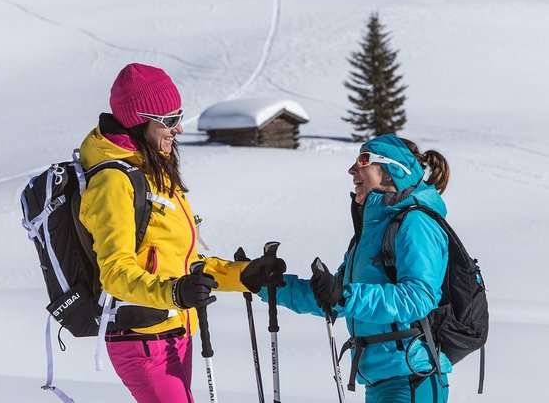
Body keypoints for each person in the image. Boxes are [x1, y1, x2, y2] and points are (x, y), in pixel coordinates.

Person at [77, 62, 285, 403]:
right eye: (169, 120)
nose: (179, 128)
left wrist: (243, 275)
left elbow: (180, 263)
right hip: (143, 337)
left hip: (173, 331)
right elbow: (115, 273)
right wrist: (175, 293)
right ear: (139, 121)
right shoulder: (114, 182)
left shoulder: (152, 172)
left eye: (179, 116)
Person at [261, 134, 452, 402]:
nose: (352, 170)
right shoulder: (372, 233)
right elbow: (332, 299)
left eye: (363, 161)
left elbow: (418, 297)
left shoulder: (416, 223)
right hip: (380, 382)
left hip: (411, 378)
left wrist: (344, 296)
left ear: (392, 171)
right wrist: (271, 286)